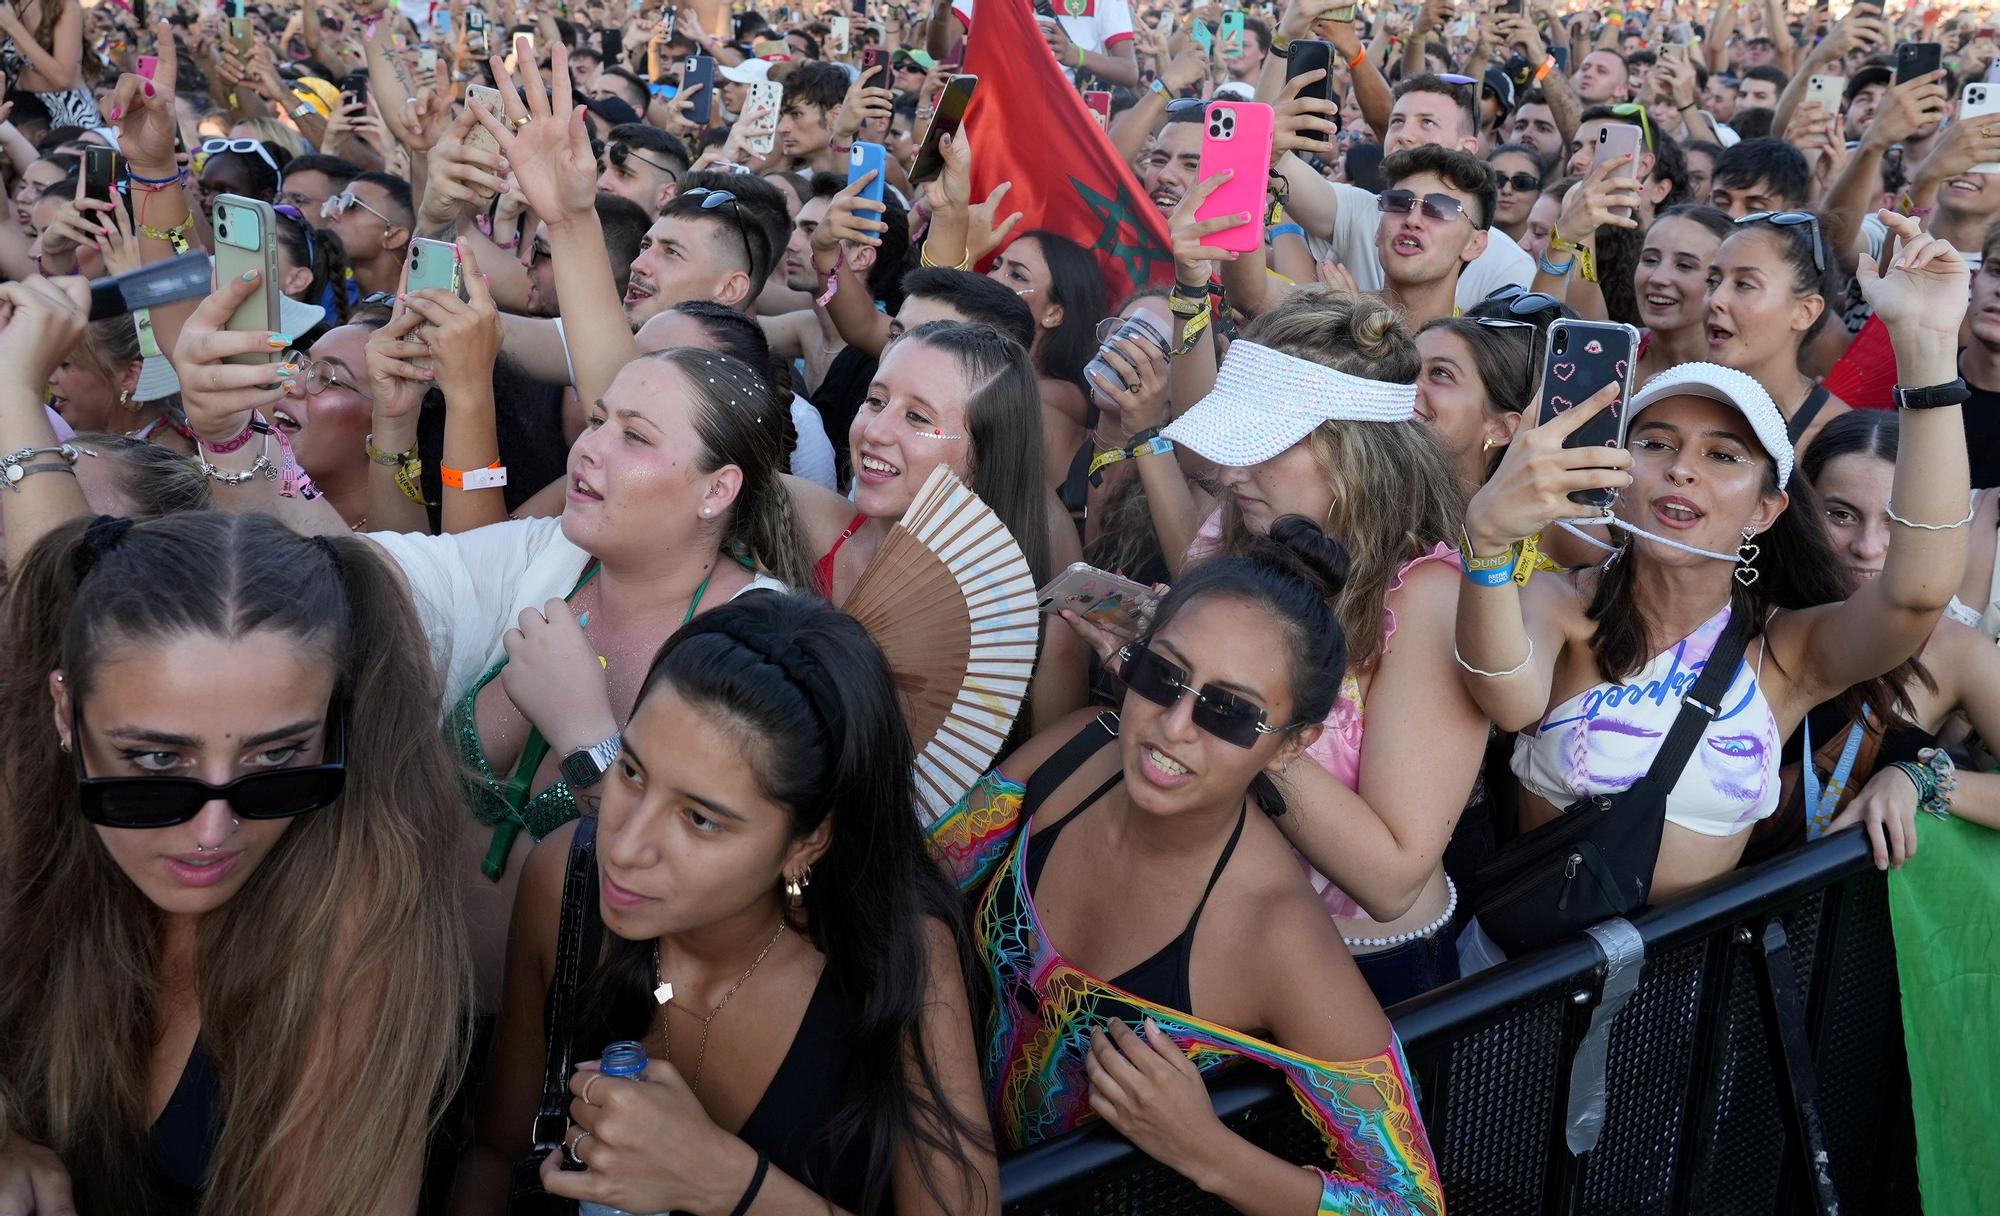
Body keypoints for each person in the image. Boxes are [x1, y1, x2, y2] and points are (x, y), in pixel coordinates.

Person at [1454, 210, 1971, 914]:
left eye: (1723, 456)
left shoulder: (1786, 656)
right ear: (1617, 472)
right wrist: (1486, 545)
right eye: (1657, 443)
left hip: (1680, 1001)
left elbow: (1916, 596)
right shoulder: (1559, 604)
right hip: (1527, 990)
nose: (1681, 471)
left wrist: (1927, 348)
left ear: (1766, 510)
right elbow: (1507, 697)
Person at [929, 522, 1444, 1212]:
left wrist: (1207, 1151)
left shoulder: (1276, 937)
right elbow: (919, 882)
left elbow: (1410, 1202)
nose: (1173, 725)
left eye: (1230, 713)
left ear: (1292, 746)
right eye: (1162, 675)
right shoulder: (1074, 755)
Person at [453, 592, 999, 1215]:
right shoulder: (565, 881)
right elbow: (497, 1153)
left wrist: (724, 1181)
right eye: (631, 773)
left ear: (807, 842)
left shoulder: (899, 955)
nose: (626, 847)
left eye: (701, 820)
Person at [0, 511, 471, 1213]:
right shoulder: (26, 811)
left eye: (277, 757)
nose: (214, 830)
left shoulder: (359, 915)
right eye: (158, 760)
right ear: (65, 712)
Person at [1125, 288, 1487, 1003]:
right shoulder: (1244, 521)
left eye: (1263, 444)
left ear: (1355, 455)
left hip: (1356, 973)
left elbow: (1390, 877)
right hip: (1215, 926)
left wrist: (1225, 717)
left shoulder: (1426, 599)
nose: (1231, 473)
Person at [789, 320, 1088, 736]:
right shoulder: (806, 521)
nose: (874, 432)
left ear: (985, 452)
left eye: (916, 417)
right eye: (875, 401)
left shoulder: (1042, 640)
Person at [1778, 410, 2000, 869]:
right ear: (1800, 510)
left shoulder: (1954, 651)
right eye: (1841, 515)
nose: (1868, 546)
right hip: (1682, 915)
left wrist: (1921, 778)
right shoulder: (1752, 614)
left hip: (1840, 928)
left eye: (1899, 521)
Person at [1705, 210, 1851, 451]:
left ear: (1805, 312)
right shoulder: (1664, 397)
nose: (1715, 300)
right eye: (1712, 282)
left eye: (1744, 284)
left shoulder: (1835, 438)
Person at [1633, 203, 1733, 385]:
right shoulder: (1609, 352)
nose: (1658, 278)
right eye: (1650, 260)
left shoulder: (1742, 381)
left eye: (1684, 265)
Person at [0, 0, 99, 127]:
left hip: (67, 112)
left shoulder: (63, 6)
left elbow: (62, 79)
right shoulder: (10, 5)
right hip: (25, 113)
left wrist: (12, 25)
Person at [1487, 142, 1546, 244]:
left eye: (1522, 182)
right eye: (1496, 179)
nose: (1507, 190)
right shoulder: (1461, 245)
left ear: (1540, 193)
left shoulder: (1548, 252)